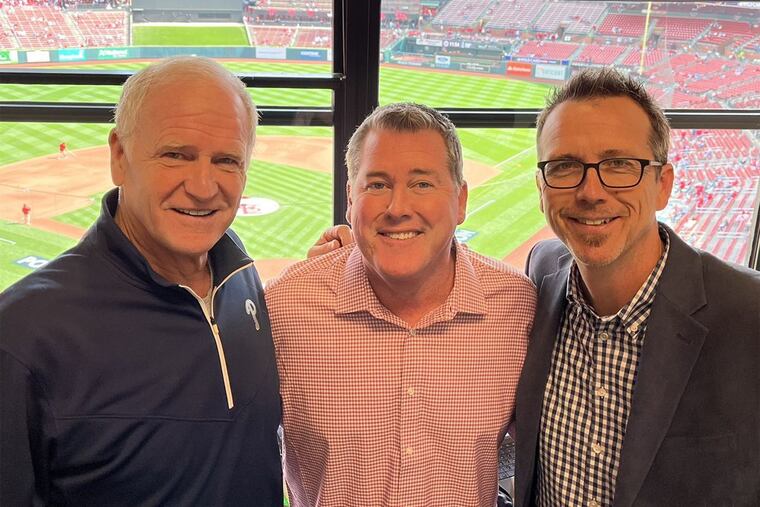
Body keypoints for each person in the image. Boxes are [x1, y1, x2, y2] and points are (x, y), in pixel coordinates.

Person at [0, 56, 282, 505]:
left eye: (227, 160)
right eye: (176, 155)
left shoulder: (240, 276)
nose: (204, 186)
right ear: (119, 156)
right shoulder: (22, 332)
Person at [265, 103, 536, 506]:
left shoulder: (518, 307)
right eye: (376, 185)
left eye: (422, 184)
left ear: (460, 201)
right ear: (350, 200)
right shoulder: (285, 307)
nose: (397, 208)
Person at [515, 67, 760, 506]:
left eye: (619, 165)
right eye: (565, 166)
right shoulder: (540, 272)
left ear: (662, 184)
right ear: (541, 187)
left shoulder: (750, 313)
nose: (591, 192)